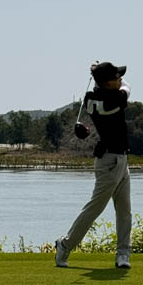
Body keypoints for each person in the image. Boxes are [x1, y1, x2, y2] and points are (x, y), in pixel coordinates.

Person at [55, 61, 132, 269]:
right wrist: (102, 75)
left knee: (124, 209)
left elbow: (114, 84)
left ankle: (123, 254)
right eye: (116, 77)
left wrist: (97, 72)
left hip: (120, 159)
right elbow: (127, 87)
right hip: (110, 161)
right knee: (95, 208)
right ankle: (65, 244)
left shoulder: (91, 97)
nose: (120, 79)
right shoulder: (114, 99)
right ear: (108, 84)